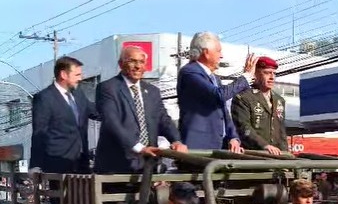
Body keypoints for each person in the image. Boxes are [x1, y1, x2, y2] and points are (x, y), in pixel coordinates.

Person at [94, 46, 187, 174]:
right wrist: (139, 147)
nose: (137, 66)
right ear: (121, 64)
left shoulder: (152, 91)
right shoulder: (108, 88)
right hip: (117, 165)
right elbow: (112, 122)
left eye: (141, 62)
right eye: (132, 61)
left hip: (148, 164)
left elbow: (163, 120)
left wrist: (176, 140)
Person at [177, 31, 258, 151]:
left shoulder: (214, 78)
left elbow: (223, 111)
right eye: (218, 51)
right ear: (206, 52)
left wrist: (233, 137)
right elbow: (219, 95)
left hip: (220, 145)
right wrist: (245, 77)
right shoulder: (190, 72)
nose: (221, 56)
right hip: (198, 146)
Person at [29, 56, 98, 175]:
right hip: (58, 166)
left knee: (83, 194)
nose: (80, 78)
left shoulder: (79, 95)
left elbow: (97, 112)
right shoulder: (45, 98)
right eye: (77, 75)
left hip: (82, 164)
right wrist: (35, 165)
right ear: (64, 75)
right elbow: (39, 133)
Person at [231, 56, 288, 155]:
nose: (272, 77)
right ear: (256, 74)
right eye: (266, 73)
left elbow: (281, 132)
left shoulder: (279, 100)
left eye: (274, 73)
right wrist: (264, 145)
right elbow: (244, 128)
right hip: (253, 156)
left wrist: (286, 156)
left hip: (276, 157)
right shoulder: (244, 97)